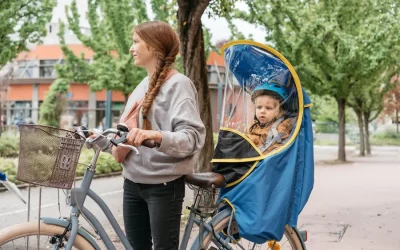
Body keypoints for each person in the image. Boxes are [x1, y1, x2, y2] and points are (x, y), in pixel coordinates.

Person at [111, 21, 205, 250]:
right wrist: (98, 138)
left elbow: (192, 138)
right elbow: (126, 132)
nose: (131, 49)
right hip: (132, 183)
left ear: (153, 47)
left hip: (163, 186)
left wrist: (156, 136)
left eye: (135, 42)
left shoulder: (179, 85)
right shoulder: (142, 85)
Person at [244, 82, 296, 154]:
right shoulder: (251, 127)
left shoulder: (281, 128)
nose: (262, 111)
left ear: (280, 111)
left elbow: (277, 150)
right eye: (259, 107)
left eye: (268, 108)